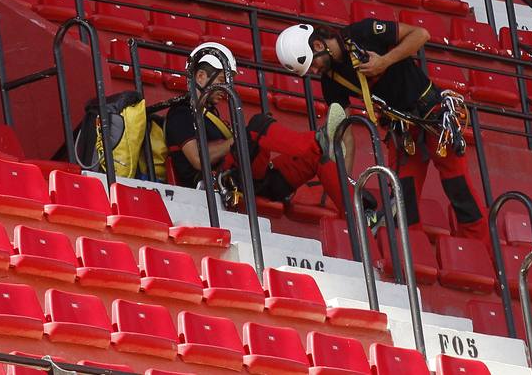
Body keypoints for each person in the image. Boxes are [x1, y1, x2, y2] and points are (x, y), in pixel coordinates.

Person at [275, 19, 485, 240]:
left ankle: (482, 251)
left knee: (459, 188)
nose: (315, 71)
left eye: (313, 65)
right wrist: (343, 182)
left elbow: (421, 33)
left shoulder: (362, 33)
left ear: (318, 46)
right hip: (402, 131)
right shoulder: (331, 81)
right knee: (403, 204)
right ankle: (410, 261)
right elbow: (345, 131)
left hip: (432, 116)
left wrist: (384, 62)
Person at [164, 41, 355, 217]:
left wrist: (241, 139)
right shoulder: (181, 113)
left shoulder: (211, 115)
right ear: (200, 76)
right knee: (258, 125)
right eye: (222, 80)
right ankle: (319, 140)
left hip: (248, 179)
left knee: (316, 156)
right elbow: (198, 159)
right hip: (218, 181)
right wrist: (238, 139)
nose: (225, 88)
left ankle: (359, 214)